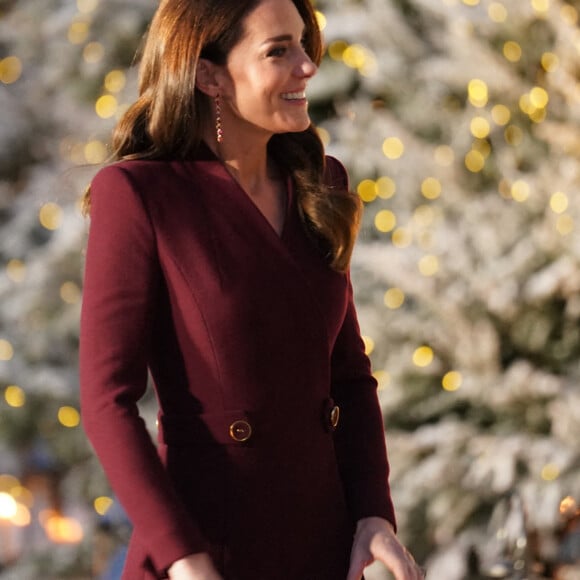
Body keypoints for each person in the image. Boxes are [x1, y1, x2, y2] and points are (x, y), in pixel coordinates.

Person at [79, 0, 425, 578]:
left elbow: (348, 374)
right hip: (210, 549)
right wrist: (185, 559)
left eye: (303, 44)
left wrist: (372, 515)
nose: (308, 66)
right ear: (208, 74)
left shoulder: (319, 184)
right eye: (278, 50)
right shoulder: (139, 195)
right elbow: (105, 402)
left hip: (324, 547)